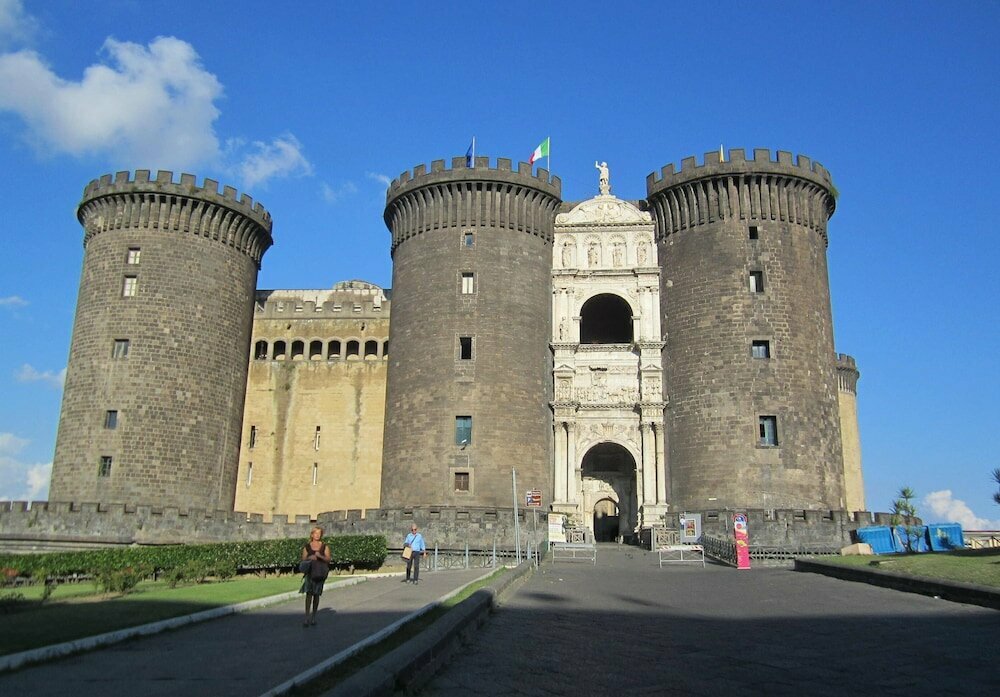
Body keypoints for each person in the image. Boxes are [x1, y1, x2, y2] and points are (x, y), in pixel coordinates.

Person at [299, 526, 331, 626]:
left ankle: (314, 617)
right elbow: (303, 559)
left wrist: (320, 556)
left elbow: (328, 559)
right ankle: (306, 617)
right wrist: (310, 557)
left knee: (316, 595)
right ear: (312, 534)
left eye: (319, 533)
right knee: (309, 594)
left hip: (320, 573)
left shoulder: (324, 546)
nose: (317, 535)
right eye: (315, 533)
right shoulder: (307, 546)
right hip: (310, 573)